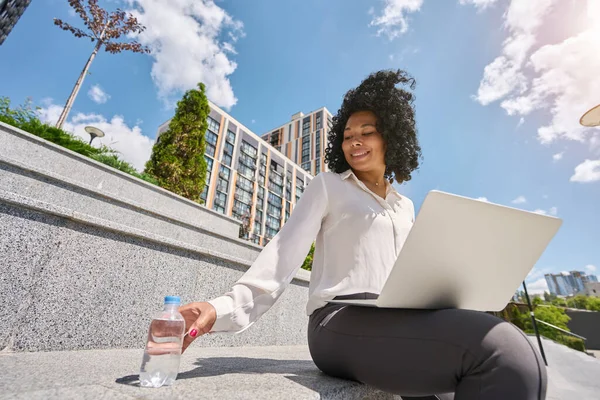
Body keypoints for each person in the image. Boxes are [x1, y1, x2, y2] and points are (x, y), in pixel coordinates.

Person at [177, 70, 547, 400]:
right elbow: (281, 255)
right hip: (337, 322)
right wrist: (219, 308)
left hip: (399, 318)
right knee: (501, 350)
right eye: (347, 136)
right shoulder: (328, 186)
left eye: (367, 133)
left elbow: (416, 274)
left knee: (501, 354)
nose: (354, 141)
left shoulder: (406, 206)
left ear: (392, 138)